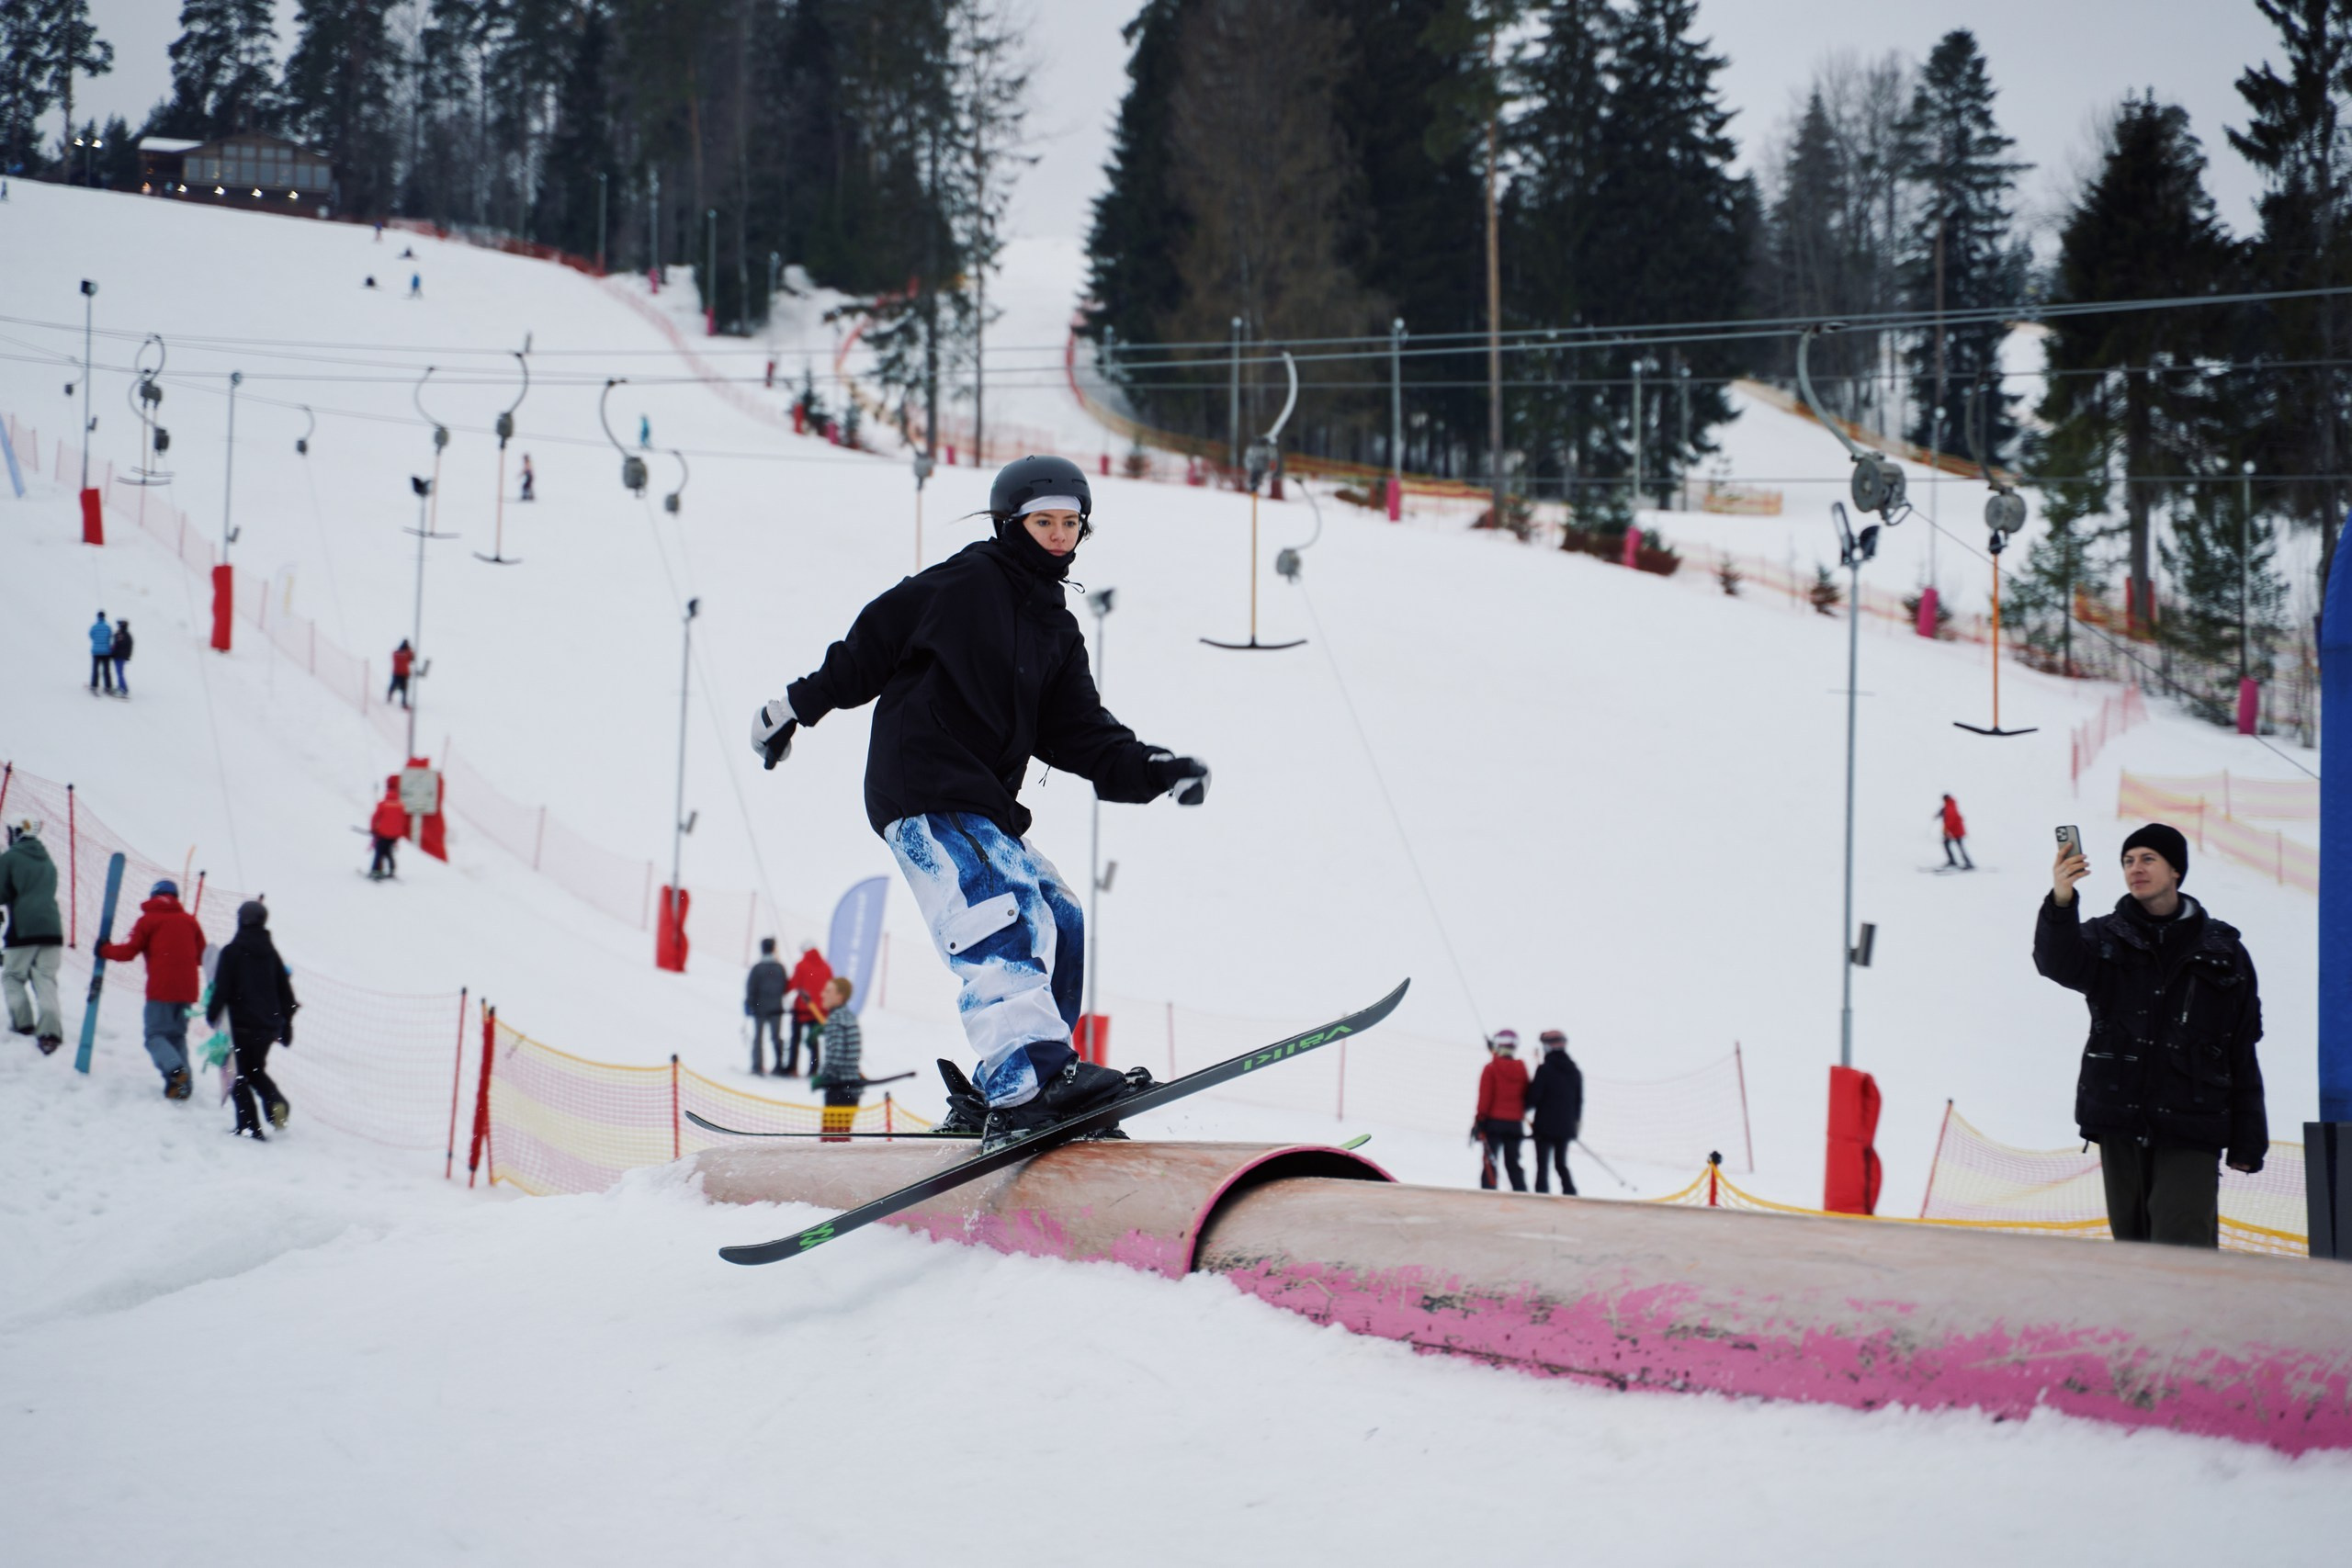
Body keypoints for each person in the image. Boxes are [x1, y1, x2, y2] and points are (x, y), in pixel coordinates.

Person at [752, 454, 1208, 1150]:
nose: (1058, 535)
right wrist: (792, 709)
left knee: (1058, 912)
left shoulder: (1055, 627)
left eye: (1070, 524)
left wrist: (1152, 769)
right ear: (1009, 522)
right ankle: (1028, 1078)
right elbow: (869, 647)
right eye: (1043, 521)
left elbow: (1080, 730)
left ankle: (1025, 1076)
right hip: (923, 784)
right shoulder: (963, 583)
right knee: (999, 912)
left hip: (983, 803)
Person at [2035, 823, 2267, 1248]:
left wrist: (2248, 1139)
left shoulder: (2224, 952)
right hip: (2119, 1117)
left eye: (2147, 859)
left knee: (2181, 1246)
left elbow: (2240, 1047)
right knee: (2133, 1252)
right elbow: (2055, 962)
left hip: (2192, 1123)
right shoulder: (2105, 937)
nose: (2135, 868)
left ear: (2176, 870)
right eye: (2128, 861)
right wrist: (2062, 900)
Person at [97, 878, 207, 1100]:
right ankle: (182, 1086)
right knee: (177, 1037)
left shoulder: (148, 920)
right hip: (188, 990)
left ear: (153, 895)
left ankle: (175, 1069)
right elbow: (202, 956)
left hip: (161, 989)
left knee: (154, 1035)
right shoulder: (190, 921)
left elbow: (129, 952)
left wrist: (104, 949)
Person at [207, 899, 298, 1138]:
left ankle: (249, 1126)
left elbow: (222, 989)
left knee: (237, 1075)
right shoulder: (271, 954)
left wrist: (212, 1014)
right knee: (255, 1071)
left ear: (241, 921)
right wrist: (286, 1024)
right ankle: (277, 1103)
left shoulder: (232, 952)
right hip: (268, 1027)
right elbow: (286, 992)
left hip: (241, 1026)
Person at [1, 818, 65, 1053]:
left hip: (24, 927)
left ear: (17, 832)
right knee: (45, 977)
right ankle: (50, 1033)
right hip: (53, 927)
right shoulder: (47, 860)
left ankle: (24, 1024)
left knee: (13, 975)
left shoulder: (9, 858)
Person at [1527, 1029, 1583, 1195]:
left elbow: (1533, 1098)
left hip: (1544, 1128)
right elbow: (1578, 1101)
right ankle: (1570, 1193)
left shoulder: (1544, 1070)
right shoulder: (1574, 1071)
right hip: (1566, 1128)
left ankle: (1541, 1196)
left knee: (1542, 1166)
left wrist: (1521, 1107)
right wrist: (1574, 1125)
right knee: (1561, 1164)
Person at [1473, 1030, 1530, 1190]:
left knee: (1490, 1162)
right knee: (1513, 1162)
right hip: (1515, 1124)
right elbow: (1526, 1094)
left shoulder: (1491, 1068)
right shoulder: (1521, 1068)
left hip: (1493, 1123)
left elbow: (1485, 1098)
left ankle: (1488, 1192)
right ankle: (1521, 1193)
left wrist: (1479, 1121)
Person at [810, 976, 863, 1142]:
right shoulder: (847, 1016)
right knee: (842, 1140)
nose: (822, 994)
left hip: (839, 1089)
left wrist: (824, 1076)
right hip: (851, 1090)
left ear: (840, 996)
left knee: (831, 1143)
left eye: (828, 991)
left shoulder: (835, 1018)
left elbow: (837, 1055)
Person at [785, 941, 831, 1077]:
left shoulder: (801, 965)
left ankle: (792, 1067)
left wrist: (783, 987)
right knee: (813, 1040)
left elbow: (793, 985)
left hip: (801, 1009)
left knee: (795, 1039)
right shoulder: (826, 967)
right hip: (818, 1011)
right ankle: (813, 1069)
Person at [745, 937, 787, 1075]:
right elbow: (785, 987)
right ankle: (779, 1064)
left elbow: (751, 988)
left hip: (760, 1008)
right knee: (776, 1037)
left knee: (758, 1037)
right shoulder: (780, 968)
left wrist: (750, 1004)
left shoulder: (757, 968)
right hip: (776, 1008)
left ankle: (757, 1065)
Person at [368, 778, 408, 880]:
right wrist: (399, 833)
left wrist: (373, 829)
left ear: (387, 793)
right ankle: (392, 869)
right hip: (394, 835)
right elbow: (403, 820)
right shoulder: (401, 806)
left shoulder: (383, 804)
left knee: (379, 852)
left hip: (383, 834)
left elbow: (375, 817)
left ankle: (376, 870)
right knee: (388, 852)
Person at [1937, 793, 1973, 871]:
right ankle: (1953, 861)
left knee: (1959, 846)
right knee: (1947, 844)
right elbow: (1944, 811)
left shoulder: (1949, 807)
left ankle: (1968, 863)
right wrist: (1940, 814)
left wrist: (1945, 829)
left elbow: (1950, 819)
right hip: (1954, 830)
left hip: (1956, 830)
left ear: (1945, 799)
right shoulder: (1950, 805)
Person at [87, 611, 115, 694]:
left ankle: (94, 686)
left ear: (98, 617)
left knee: (95, 669)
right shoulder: (108, 627)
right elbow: (111, 636)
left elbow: (91, 636)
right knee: (106, 670)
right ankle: (108, 687)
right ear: (104, 617)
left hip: (96, 652)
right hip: (106, 652)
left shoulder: (94, 627)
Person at [108, 618, 133, 697]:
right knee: (119, 672)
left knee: (120, 673)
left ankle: (123, 689)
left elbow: (116, 646)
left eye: (119, 625)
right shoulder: (127, 635)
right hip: (121, 656)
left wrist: (112, 653)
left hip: (119, 656)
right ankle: (120, 686)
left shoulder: (120, 635)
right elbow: (130, 646)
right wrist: (128, 656)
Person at [387, 639, 413, 708]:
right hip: (404, 674)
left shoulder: (396, 653)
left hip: (396, 672)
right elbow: (412, 659)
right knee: (404, 689)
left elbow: (393, 655)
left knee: (393, 685)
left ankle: (389, 696)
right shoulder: (407, 653)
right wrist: (410, 650)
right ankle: (404, 703)